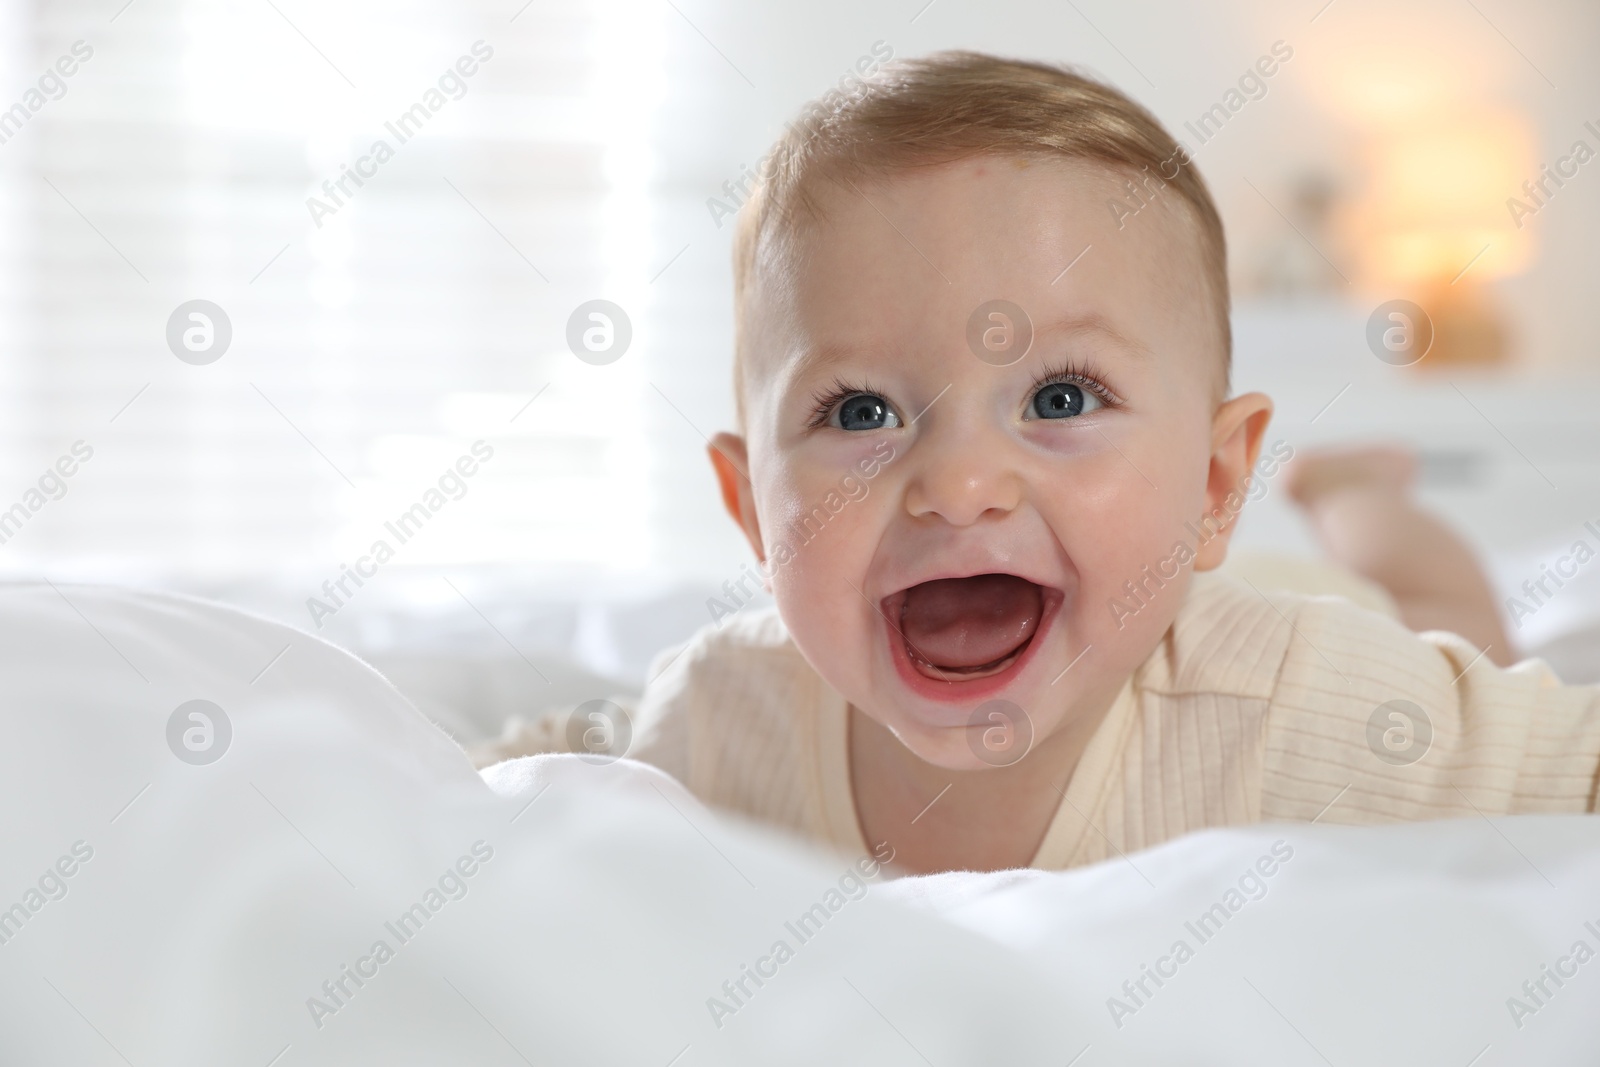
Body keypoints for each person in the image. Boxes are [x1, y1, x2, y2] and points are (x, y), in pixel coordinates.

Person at [486, 52, 1599, 875]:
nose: (960, 483)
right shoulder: (722, 714)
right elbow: (524, 767)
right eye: (862, 408)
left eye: (1059, 398)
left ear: (1212, 486)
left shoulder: (1305, 702)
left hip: (1328, 606)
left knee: (1437, 607)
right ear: (748, 509)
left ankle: (1359, 499)